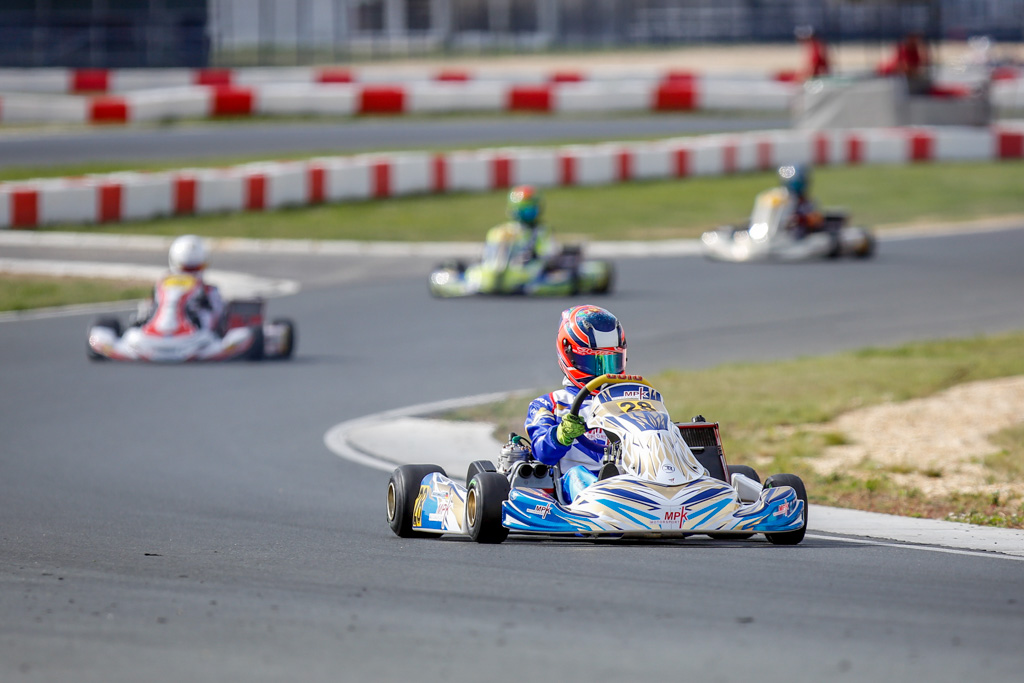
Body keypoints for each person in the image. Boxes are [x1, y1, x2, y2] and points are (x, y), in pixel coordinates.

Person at [524, 304, 627, 504]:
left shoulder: (629, 401)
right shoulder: (550, 404)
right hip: (573, 482)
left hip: (627, 478)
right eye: (594, 363)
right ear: (569, 354)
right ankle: (600, 505)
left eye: (610, 362)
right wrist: (560, 435)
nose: (603, 373)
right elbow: (542, 453)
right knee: (578, 474)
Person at [137, 234, 225, 332]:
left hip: (195, 334)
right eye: (186, 269)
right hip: (157, 330)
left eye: (195, 268)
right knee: (145, 306)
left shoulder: (208, 291)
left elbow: (218, 313)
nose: (190, 274)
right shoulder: (162, 284)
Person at [777, 164, 824, 239]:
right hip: (783, 239)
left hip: (802, 239)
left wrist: (800, 219)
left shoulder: (808, 203)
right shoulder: (782, 202)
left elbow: (816, 221)